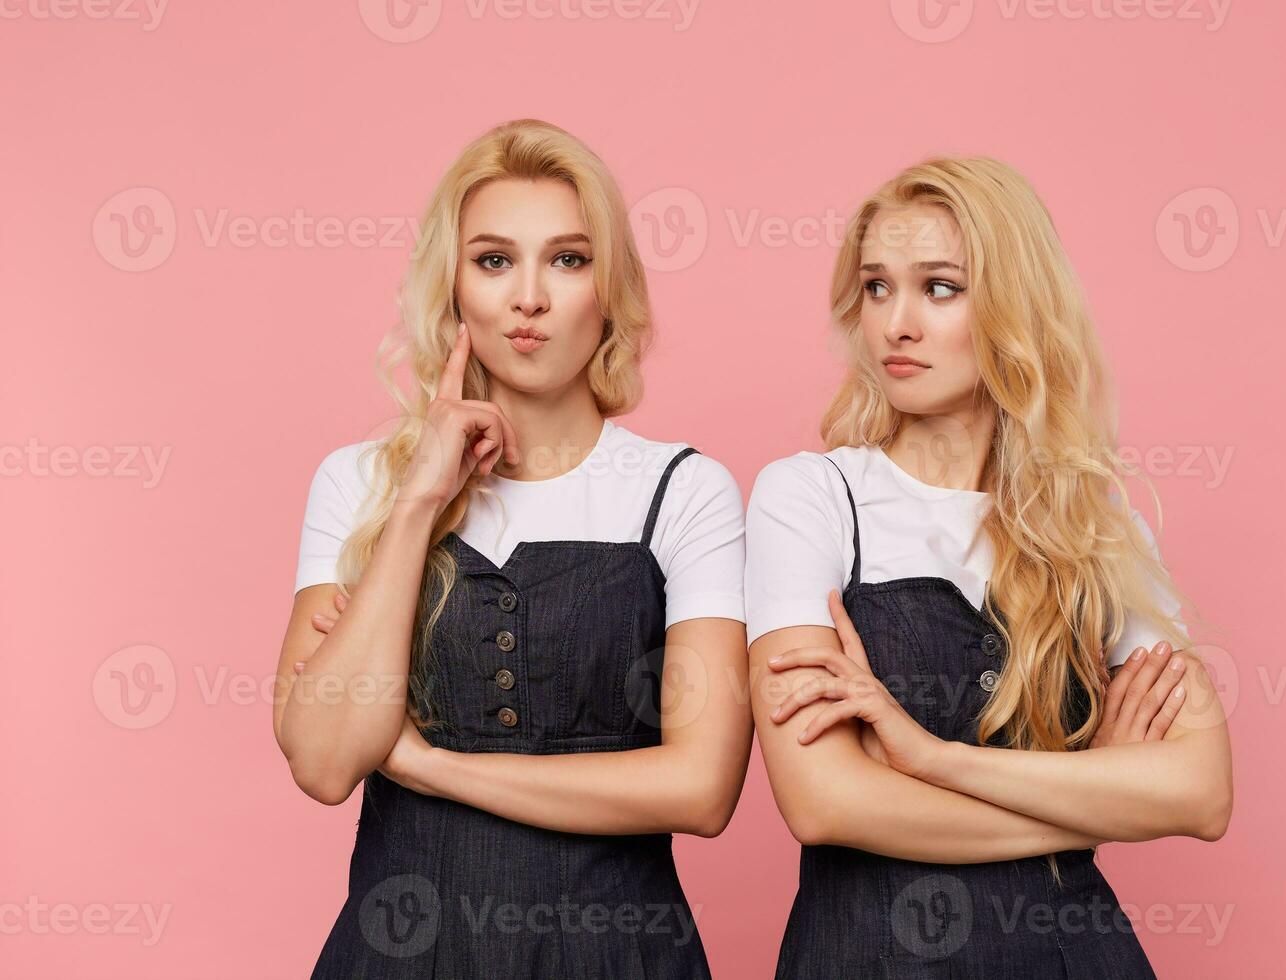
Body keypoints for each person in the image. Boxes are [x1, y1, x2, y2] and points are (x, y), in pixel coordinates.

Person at [272, 119, 751, 978]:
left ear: (610, 289)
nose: (528, 297)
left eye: (568, 260)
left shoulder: (684, 490)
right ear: (452, 285)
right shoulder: (360, 485)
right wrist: (419, 500)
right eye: (494, 261)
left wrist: (426, 763)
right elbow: (323, 759)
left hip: (620, 958)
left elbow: (703, 789)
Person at [745, 156, 1233, 978]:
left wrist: (929, 758)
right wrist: (1093, 794)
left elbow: (1201, 792)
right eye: (876, 287)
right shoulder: (810, 496)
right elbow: (824, 802)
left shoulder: (1092, 521)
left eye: (939, 288)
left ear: (1014, 306)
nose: (897, 323)